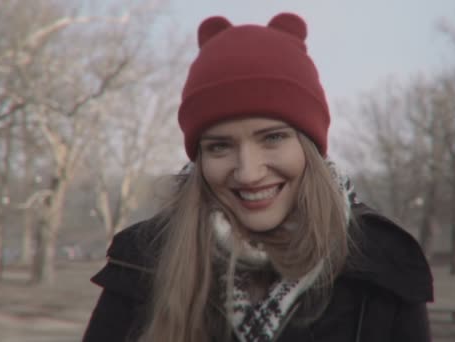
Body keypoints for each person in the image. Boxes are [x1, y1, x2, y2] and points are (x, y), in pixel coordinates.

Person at [82, 12, 433, 342]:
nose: (248, 173)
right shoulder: (143, 262)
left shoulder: (381, 263)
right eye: (220, 146)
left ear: (308, 146)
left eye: (273, 137)